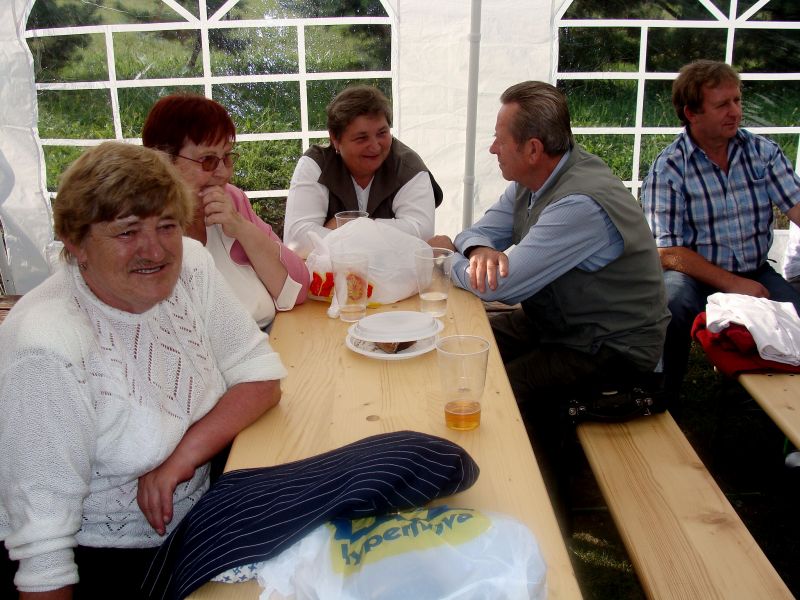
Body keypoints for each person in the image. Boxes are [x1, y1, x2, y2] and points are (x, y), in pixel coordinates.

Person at [0, 142, 287, 598]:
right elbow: (43, 553)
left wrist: (181, 459)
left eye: (167, 225)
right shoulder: (47, 347)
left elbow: (261, 375)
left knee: (389, 465)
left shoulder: (191, 265)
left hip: (200, 507)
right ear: (76, 244)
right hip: (111, 560)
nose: (154, 250)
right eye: (127, 232)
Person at [429, 80, 669, 415]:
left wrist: (447, 258)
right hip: (561, 325)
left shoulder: (580, 204)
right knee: (458, 346)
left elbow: (502, 287)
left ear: (533, 150)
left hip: (613, 347)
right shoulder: (535, 180)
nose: (493, 149)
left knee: (493, 392)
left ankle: (531, 448)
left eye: (500, 139)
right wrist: (476, 250)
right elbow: (477, 232)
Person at [640, 59, 800, 405]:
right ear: (692, 113)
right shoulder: (670, 167)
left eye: (737, 100)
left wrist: (745, 282)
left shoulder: (762, 152)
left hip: (754, 270)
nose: (735, 112)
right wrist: (733, 284)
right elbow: (667, 253)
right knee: (671, 303)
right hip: (693, 275)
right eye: (722, 104)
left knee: (797, 316)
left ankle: (783, 407)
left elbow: (797, 206)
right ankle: (660, 397)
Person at [142, 93, 309, 330]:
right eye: (208, 160)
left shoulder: (231, 199)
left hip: (270, 338)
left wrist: (241, 227)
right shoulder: (144, 227)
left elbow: (298, 289)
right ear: (163, 160)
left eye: (227, 157)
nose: (223, 173)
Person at [283, 85, 444, 258]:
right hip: (329, 275)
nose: (375, 146)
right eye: (361, 138)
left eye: (382, 133)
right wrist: (389, 237)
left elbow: (421, 236)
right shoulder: (316, 164)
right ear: (335, 139)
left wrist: (348, 226)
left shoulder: (409, 168)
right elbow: (296, 242)